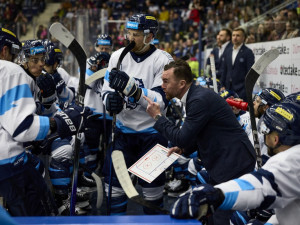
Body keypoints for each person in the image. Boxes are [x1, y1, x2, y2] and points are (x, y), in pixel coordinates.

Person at [144, 59, 256, 224]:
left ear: (182, 83)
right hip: (227, 159)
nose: (162, 85)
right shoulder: (195, 96)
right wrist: (184, 149)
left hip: (233, 161)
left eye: (166, 81)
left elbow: (181, 136)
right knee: (216, 212)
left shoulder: (198, 99)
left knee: (222, 216)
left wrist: (158, 117)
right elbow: (202, 131)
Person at [0, 28, 92, 216]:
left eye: (43, 59)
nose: (41, 64)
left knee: (66, 148)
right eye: (35, 60)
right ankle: (54, 202)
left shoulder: (39, 79)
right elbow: (22, 126)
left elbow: (43, 112)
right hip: (16, 152)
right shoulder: (13, 74)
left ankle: (61, 196)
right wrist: (61, 122)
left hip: (27, 141)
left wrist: (50, 102)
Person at [170, 102, 300, 225]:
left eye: (266, 130)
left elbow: (264, 184)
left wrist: (217, 194)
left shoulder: (293, 159)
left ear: (275, 139)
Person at [101, 14, 173, 215]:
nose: (130, 39)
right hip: (122, 134)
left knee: (152, 197)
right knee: (113, 191)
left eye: (137, 35)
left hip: (153, 134)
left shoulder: (164, 60)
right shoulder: (117, 57)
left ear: (150, 37)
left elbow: (161, 101)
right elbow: (106, 89)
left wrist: (133, 90)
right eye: (129, 33)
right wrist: (108, 100)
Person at [220, 27, 255, 101]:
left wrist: (245, 90)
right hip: (228, 89)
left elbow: (250, 73)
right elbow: (224, 70)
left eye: (238, 35)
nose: (235, 38)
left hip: (242, 91)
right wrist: (222, 85)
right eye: (233, 35)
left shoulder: (248, 52)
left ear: (243, 38)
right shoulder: (227, 51)